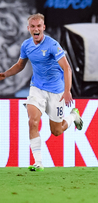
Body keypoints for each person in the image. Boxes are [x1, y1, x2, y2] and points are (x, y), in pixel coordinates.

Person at [0, 13, 83, 172]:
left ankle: (74, 116)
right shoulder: (26, 45)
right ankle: (38, 163)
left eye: (39, 26)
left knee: (56, 131)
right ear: (28, 29)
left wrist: (67, 91)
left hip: (56, 91)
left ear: (43, 27)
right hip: (36, 88)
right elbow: (20, 64)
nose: (36, 29)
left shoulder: (52, 45)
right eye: (33, 26)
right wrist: (5, 74)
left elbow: (67, 68)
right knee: (33, 121)